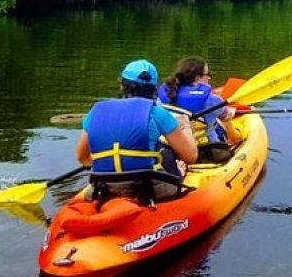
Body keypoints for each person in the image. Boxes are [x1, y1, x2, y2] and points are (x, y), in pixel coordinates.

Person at [75, 59, 198, 200]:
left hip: (103, 188)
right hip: (147, 190)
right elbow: (191, 156)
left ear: (122, 85)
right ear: (154, 89)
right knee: (167, 154)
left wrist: (111, 165)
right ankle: (178, 173)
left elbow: (82, 157)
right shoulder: (158, 114)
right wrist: (185, 125)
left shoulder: (95, 112)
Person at [158, 56, 241, 144]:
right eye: (208, 74)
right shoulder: (214, 100)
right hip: (206, 149)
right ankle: (236, 138)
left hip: (170, 146)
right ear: (197, 78)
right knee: (221, 123)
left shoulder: (164, 96)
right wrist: (231, 112)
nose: (210, 78)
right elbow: (227, 116)